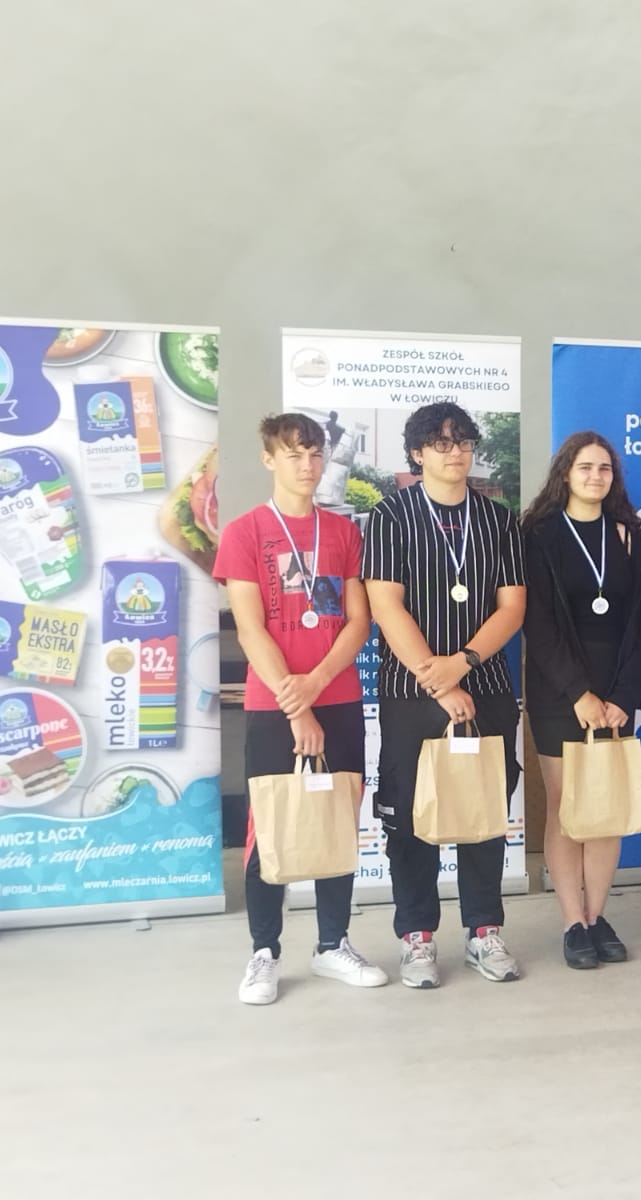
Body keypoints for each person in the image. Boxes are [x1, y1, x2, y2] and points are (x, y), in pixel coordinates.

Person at [217, 414, 387, 1005]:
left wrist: (315, 684)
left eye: (315, 454)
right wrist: (297, 707)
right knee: (269, 826)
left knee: (336, 820)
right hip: (275, 705)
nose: (307, 466)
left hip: (338, 698)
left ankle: (333, 944)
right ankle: (264, 951)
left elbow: (358, 621)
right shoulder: (244, 532)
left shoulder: (342, 532)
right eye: (294, 455)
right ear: (269, 459)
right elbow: (250, 628)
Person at [362, 402, 527, 988]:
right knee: (410, 816)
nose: (455, 452)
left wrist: (464, 664)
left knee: (483, 811)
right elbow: (385, 605)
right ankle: (417, 937)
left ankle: (484, 931)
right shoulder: (389, 515)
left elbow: (512, 606)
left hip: (486, 687)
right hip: (412, 691)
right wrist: (438, 680)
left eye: (463, 442)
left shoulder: (499, 520)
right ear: (417, 453)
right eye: (441, 443)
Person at [522, 433, 641, 969]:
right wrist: (578, 692)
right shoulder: (539, 535)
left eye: (604, 468)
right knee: (567, 807)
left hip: (616, 692)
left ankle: (597, 916)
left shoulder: (630, 537)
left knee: (604, 810)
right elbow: (538, 623)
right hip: (560, 692)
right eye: (585, 467)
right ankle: (572, 922)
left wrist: (624, 695)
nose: (596, 476)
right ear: (565, 474)